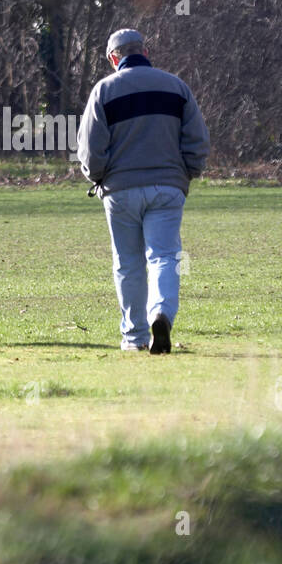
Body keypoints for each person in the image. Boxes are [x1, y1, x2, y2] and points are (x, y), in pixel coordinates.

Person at [77, 28, 210, 353]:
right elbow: (198, 141)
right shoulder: (176, 87)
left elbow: (90, 151)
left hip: (120, 191)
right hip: (168, 188)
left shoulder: (103, 91)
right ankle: (161, 313)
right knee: (164, 256)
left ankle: (134, 338)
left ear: (113, 58)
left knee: (128, 263)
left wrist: (97, 177)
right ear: (145, 52)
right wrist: (187, 173)